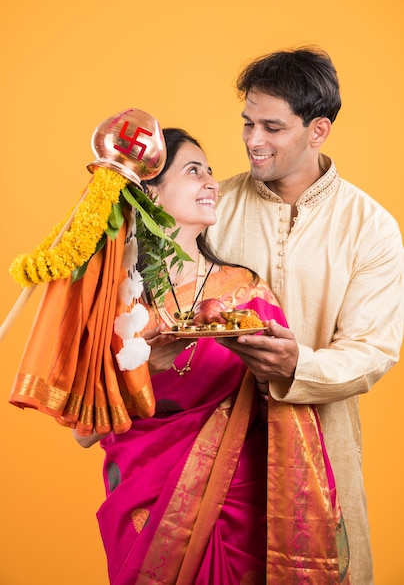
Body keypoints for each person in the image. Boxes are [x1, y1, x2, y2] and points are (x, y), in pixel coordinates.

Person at [75, 128, 351, 584]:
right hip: (146, 499)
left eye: (210, 172)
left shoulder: (244, 294)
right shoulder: (119, 304)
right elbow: (83, 434)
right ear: (150, 193)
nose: (211, 182)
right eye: (193, 170)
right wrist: (145, 370)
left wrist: (273, 372)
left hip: (241, 500)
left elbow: (282, 401)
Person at [205, 46, 404, 585]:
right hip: (211, 448)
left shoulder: (371, 228)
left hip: (322, 446)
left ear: (318, 130)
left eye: (272, 126)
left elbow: (373, 349)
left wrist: (298, 366)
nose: (252, 140)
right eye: (247, 123)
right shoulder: (209, 209)